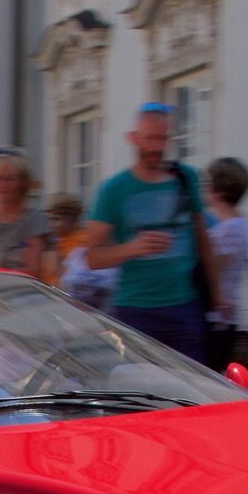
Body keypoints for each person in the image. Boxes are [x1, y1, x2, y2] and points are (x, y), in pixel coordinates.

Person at [80, 104, 219, 360]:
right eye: (150, 138)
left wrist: (218, 293)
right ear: (133, 138)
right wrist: (133, 248)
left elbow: (203, 238)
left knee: (193, 393)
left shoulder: (186, 178)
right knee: (144, 389)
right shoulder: (115, 189)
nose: (157, 147)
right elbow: (92, 258)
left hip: (185, 306)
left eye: (163, 138)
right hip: (136, 310)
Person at [205, 157, 248, 371]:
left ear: (218, 191)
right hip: (221, 317)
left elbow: (213, 269)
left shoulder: (230, 230)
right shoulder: (235, 225)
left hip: (217, 319)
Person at [42, 193, 86, 286]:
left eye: (56, 218)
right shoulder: (51, 239)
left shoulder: (83, 241)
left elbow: (65, 275)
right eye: (50, 219)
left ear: (71, 219)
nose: (51, 224)